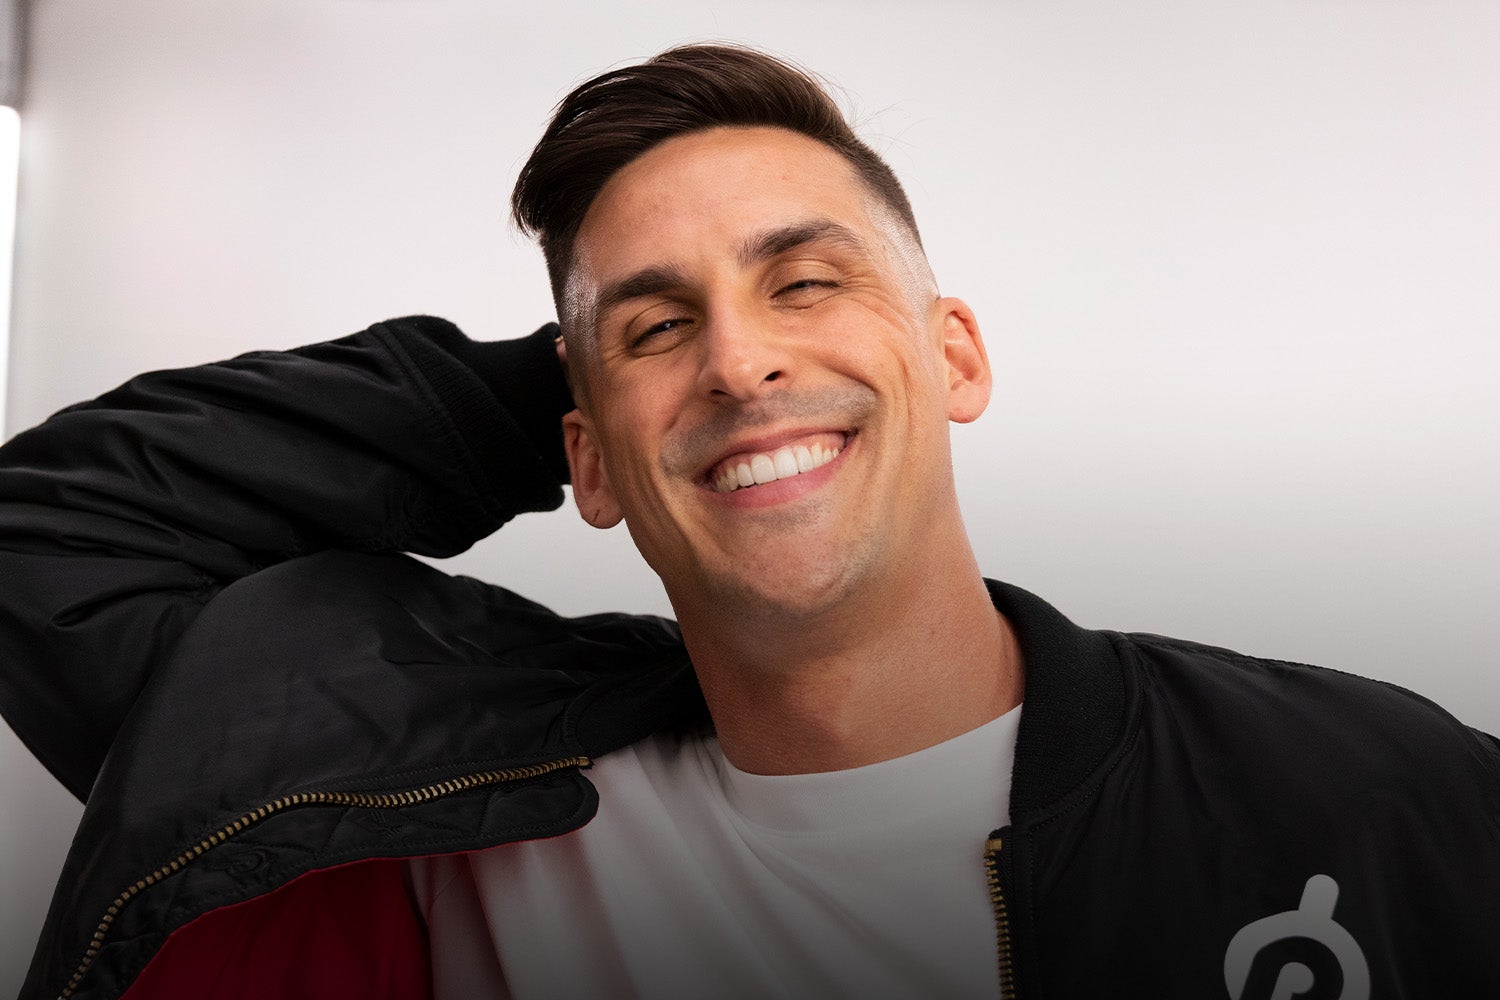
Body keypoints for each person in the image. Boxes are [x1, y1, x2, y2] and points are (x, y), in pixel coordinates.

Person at [0, 43, 1495, 1000]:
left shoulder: (1376, 793)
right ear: (582, 459)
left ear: (955, 358)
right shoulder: (414, 800)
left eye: (805, 284)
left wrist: (681, 387)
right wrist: (616, 403)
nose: (737, 357)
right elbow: (49, 531)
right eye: (661, 325)